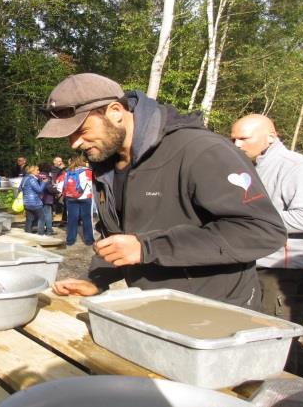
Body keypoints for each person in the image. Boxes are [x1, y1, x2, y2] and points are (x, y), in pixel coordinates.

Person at [38, 73, 285, 309]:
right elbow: (122, 236)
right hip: (154, 307)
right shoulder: (106, 164)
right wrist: (97, 278)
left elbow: (263, 231)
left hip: (218, 312)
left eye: (81, 131)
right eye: (69, 136)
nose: (75, 144)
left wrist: (149, 247)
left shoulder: (200, 150)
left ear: (115, 112)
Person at [231, 114, 303, 377]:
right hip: (260, 267)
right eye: (233, 138)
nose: (236, 144)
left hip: (286, 273)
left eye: (244, 138)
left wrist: (253, 218)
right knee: (263, 338)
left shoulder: (296, 167)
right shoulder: (252, 166)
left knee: (275, 343)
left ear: (271, 136)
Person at [58, 157, 94, 246]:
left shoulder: (67, 172)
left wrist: (65, 193)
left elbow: (59, 185)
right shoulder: (88, 172)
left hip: (70, 198)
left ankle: (70, 240)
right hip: (85, 197)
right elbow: (93, 183)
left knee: (72, 219)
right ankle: (89, 240)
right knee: (86, 218)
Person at [22, 165, 48, 235]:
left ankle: (27, 234)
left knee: (29, 219)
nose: (39, 171)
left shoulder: (24, 178)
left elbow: (20, 189)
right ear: (32, 171)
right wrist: (44, 182)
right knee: (41, 218)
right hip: (35, 202)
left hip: (26, 202)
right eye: (37, 170)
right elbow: (39, 190)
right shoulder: (32, 179)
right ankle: (40, 233)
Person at [38, 162, 59, 235]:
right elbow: (49, 188)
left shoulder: (37, 176)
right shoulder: (47, 177)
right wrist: (57, 191)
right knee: (48, 215)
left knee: (41, 215)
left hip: (38, 198)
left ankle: (40, 231)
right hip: (47, 198)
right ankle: (49, 230)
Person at [51, 157, 67, 225]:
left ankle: (64, 220)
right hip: (54, 189)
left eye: (61, 161)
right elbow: (53, 177)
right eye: (58, 161)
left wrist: (64, 169)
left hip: (63, 190)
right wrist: (60, 169)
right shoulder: (52, 169)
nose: (60, 163)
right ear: (54, 162)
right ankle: (49, 222)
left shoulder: (63, 169)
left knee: (64, 204)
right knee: (53, 206)